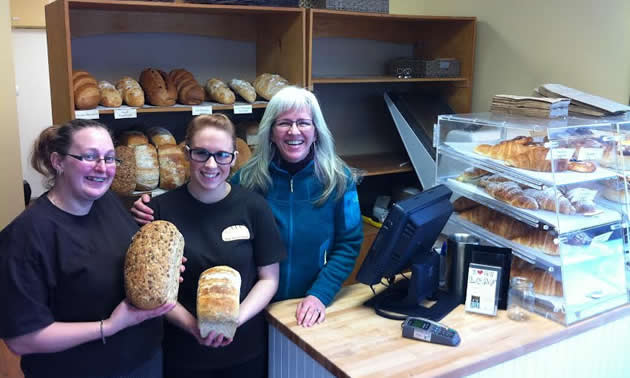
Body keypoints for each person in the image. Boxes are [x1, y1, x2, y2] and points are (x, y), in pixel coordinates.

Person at [133, 87, 363, 328]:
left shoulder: (339, 180)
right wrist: (154, 208)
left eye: (304, 123)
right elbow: (205, 198)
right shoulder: (247, 178)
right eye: (284, 123)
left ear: (316, 131)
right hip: (250, 309)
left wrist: (320, 294)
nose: (294, 131)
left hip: (307, 307)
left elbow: (348, 244)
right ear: (271, 132)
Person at [0, 119, 180, 378]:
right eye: (89, 157)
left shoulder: (107, 202)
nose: (102, 168)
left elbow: (126, 266)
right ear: (58, 161)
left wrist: (165, 271)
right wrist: (109, 326)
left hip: (143, 360)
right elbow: (21, 339)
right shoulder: (26, 238)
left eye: (109, 158)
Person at [134, 114, 286, 378]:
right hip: (181, 351)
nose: (211, 164)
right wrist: (193, 326)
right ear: (186, 153)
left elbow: (269, 279)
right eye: (201, 153)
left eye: (222, 155)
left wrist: (233, 320)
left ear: (234, 157)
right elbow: (154, 290)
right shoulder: (158, 210)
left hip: (245, 349)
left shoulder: (254, 207)